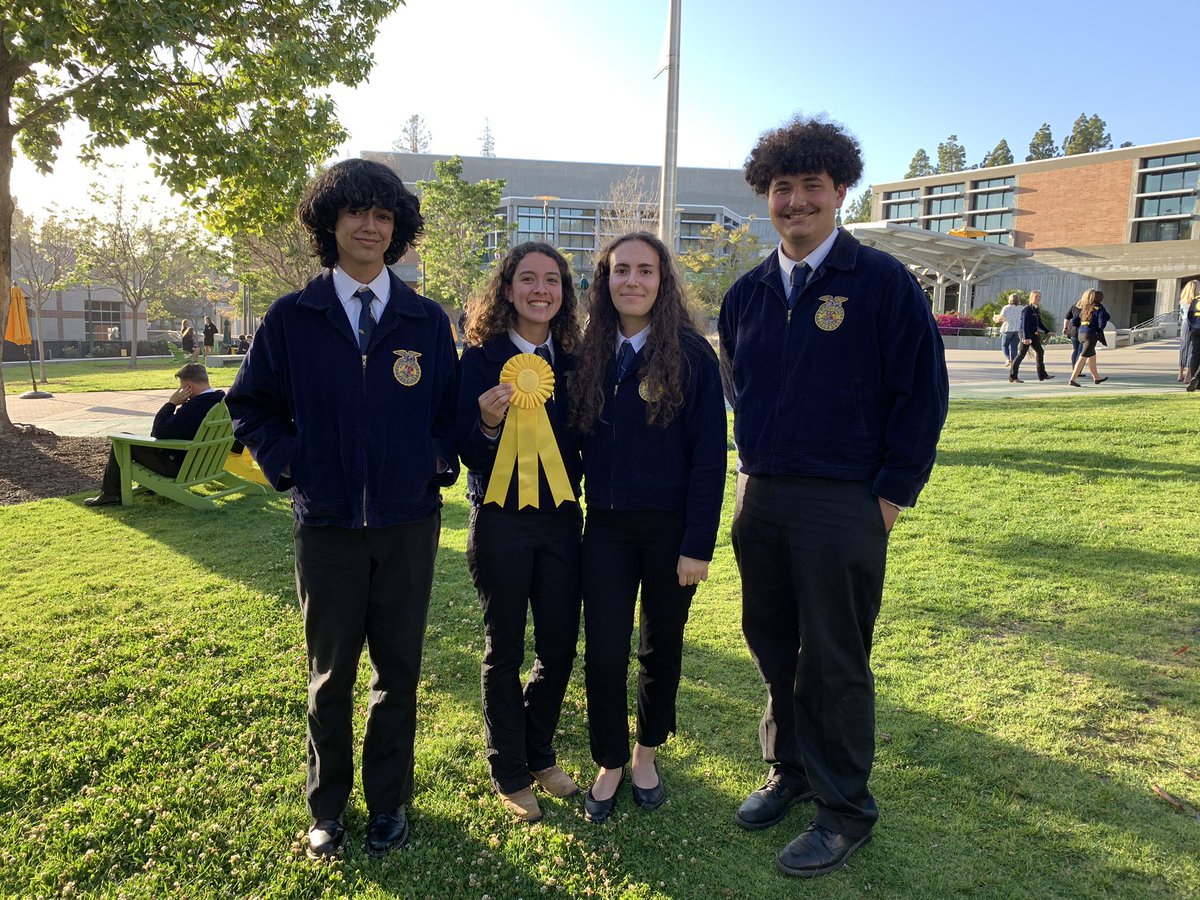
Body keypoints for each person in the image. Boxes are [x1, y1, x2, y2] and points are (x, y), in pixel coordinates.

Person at [718, 116, 948, 878]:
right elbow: (739, 391)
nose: (795, 202)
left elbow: (922, 397)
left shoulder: (879, 283)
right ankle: (790, 769)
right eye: (782, 189)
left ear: (839, 191)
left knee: (837, 661)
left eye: (811, 186)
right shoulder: (747, 293)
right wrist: (750, 474)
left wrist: (886, 498)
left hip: (846, 505)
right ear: (767, 198)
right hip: (764, 500)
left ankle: (845, 809)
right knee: (773, 646)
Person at [225, 158, 459, 860]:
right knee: (331, 677)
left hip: (408, 525)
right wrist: (291, 463)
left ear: (399, 230)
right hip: (325, 526)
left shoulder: (424, 318)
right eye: (356, 212)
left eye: (384, 215)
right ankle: (326, 808)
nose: (370, 225)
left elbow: (448, 413)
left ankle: (389, 804)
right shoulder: (293, 318)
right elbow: (249, 404)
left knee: (398, 675)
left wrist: (432, 464)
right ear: (330, 224)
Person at [570, 232, 726, 824]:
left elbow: (710, 455)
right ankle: (609, 760)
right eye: (620, 270)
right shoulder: (586, 350)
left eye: (645, 270)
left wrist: (696, 546)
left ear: (663, 282)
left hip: (670, 535)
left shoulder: (690, 353)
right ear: (604, 280)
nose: (632, 280)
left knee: (660, 651)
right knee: (606, 653)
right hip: (604, 531)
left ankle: (645, 755)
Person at [455, 242, 584, 823]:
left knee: (558, 648)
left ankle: (539, 750)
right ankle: (508, 766)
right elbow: (463, 451)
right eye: (527, 279)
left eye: (551, 280)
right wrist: (485, 423)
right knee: (504, 650)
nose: (540, 290)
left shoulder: (578, 359)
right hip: (500, 520)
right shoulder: (479, 360)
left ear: (563, 292)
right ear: (507, 289)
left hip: (561, 523)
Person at [84, 363, 224, 507]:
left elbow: (158, 432)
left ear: (188, 386)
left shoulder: (194, 407)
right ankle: (149, 486)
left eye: (181, 386)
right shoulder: (222, 402)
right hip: (202, 463)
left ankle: (111, 493)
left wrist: (171, 403)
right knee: (133, 440)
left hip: (177, 466)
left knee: (121, 441)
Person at [1009, 290, 1055, 383]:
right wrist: (1025, 338)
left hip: (1033, 334)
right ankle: (1013, 377)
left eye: (1039, 297)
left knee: (1040, 351)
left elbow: (1039, 323)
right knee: (1021, 354)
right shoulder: (1027, 309)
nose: (1038, 298)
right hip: (1025, 334)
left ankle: (1042, 375)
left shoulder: (1036, 309)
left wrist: (1047, 331)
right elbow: (1025, 324)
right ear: (1031, 297)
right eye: (1036, 296)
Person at [1068, 289, 1110, 387]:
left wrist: (1082, 328)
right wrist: (1097, 330)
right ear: (1101, 299)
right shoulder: (1099, 308)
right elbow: (1102, 322)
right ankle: (1072, 379)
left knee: (1092, 356)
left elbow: (1074, 321)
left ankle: (1096, 378)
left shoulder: (1086, 307)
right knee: (1083, 357)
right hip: (1090, 335)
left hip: (1081, 334)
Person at [993, 293, 1023, 369]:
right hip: (1018, 330)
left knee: (1005, 345)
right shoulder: (1022, 308)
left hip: (1008, 329)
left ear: (1010, 300)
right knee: (1014, 346)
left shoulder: (1006, 308)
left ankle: (1007, 359)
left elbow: (1001, 318)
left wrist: (995, 318)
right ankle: (1014, 362)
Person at [1181, 279, 1199, 385]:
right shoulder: (1196, 300)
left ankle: (1183, 374)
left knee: (1187, 350)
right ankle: (1191, 376)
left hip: (1188, 325)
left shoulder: (1185, 300)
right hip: (1195, 325)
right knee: (1194, 351)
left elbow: (1187, 315)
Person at [1062, 298, 1083, 366]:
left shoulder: (1075, 305)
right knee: (1081, 350)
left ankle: (1075, 368)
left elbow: (1067, 317)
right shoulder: (1089, 307)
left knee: (1075, 350)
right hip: (1083, 330)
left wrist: (1065, 328)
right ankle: (1077, 370)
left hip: (1073, 330)